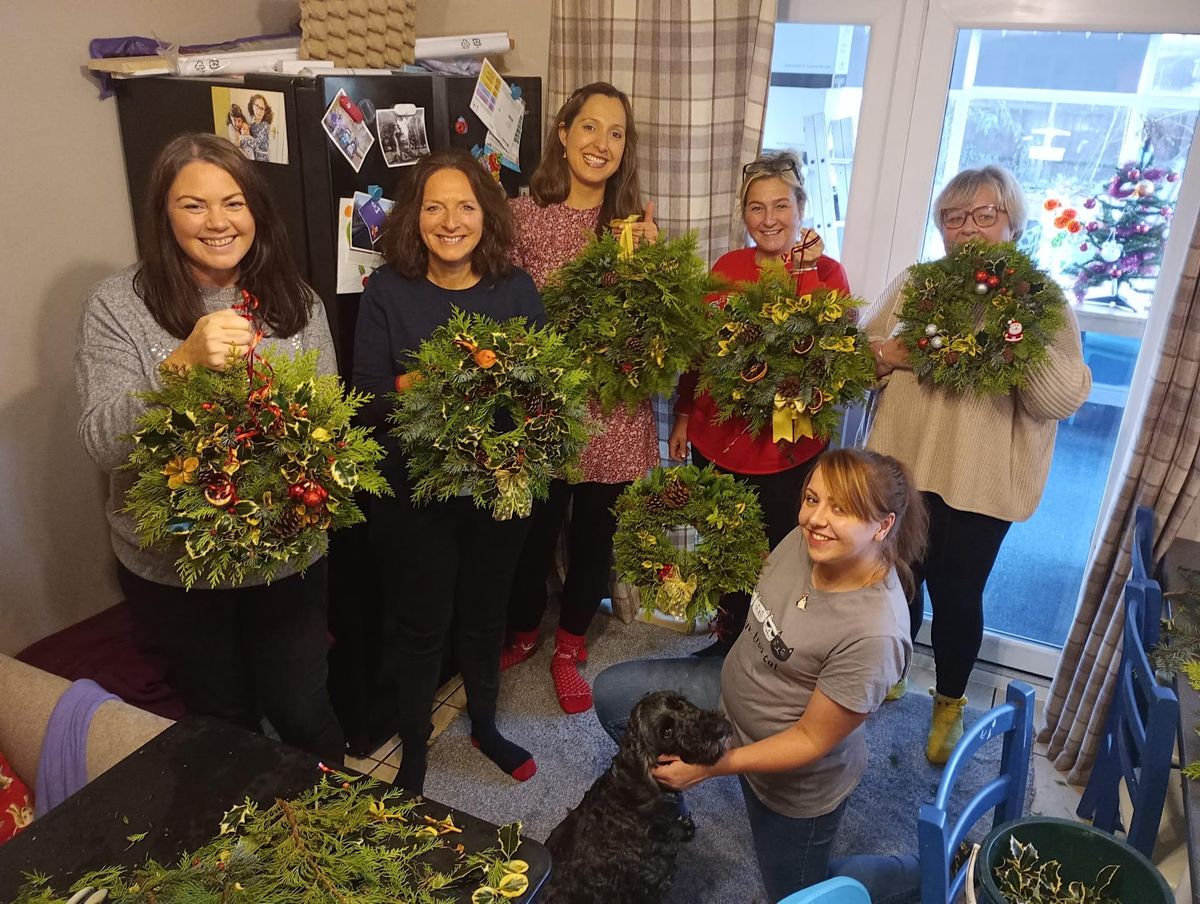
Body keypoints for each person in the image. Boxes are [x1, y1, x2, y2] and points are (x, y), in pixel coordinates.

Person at [74, 133, 343, 761]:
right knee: (223, 722)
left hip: (285, 559)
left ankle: (342, 841)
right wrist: (181, 367)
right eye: (193, 205)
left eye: (234, 202)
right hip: (176, 567)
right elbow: (101, 442)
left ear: (257, 211)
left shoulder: (295, 302)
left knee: (304, 711)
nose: (218, 222)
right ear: (164, 216)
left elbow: (330, 425)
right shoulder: (120, 305)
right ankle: (247, 847)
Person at [592, 448, 927, 901]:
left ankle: (917, 872)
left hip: (791, 780)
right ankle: (668, 802)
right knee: (615, 695)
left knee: (801, 894)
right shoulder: (806, 540)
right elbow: (756, 570)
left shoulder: (874, 635)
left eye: (840, 508)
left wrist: (712, 767)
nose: (815, 519)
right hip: (726, 700)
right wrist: (677, 548)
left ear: (883, 526)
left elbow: (810, 741)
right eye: (813, 499)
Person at [863, 165, 1091, 763]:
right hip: (905, 471)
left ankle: (949, 706)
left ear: (1012, 223)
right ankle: (892, 672)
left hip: (981, 482)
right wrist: (895, 353)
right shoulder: (917, 285)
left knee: (958, 598)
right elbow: (859, 360)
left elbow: (1058, 399)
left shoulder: (1040, 302)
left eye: (984, 215)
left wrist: (1017, 339)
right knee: (898, 585)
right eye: (953, 218)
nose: (967, 230)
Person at [352, 149, 544, 794]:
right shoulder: (387, 291)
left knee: (486, 618)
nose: (450, 220)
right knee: (419, 626)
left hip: (496, 491)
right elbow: (370, 396)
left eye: (466, 206)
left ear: (486, 216)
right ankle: (412, 751)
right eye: (434, 206)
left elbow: (538, 394)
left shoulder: (515, 289)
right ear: (415, 217)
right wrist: (447, 375)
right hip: (413, 497)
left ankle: (485, 726)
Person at [500, 82, 659, 714]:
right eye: (589, 128)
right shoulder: (520, 215)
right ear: (563, 134)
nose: (601, 144)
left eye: (615, 133)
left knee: (596, 537)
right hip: (543, 408)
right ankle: (520, 631)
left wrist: (649, 271)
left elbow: (653, 331)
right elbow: (501, 309)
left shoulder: (631, 226)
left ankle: (570, 647)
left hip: (615, 412)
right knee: (531, 535)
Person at [668, 150, 851, 657]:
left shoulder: (828, 274)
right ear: (743, 214)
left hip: (786, 454)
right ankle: (726, 642)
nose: (768, 219)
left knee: (781, 557)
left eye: (780, 206)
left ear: (800, 209)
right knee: (726, 546)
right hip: (718, 441)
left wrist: (807, 272)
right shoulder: (727, 267)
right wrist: (684, 412)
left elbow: (828, 351)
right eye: (756, 208)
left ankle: (771, 649)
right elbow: (699, 351)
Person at [246, 93, 273, 163]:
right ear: (252, 106)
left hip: (262, 161)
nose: (259, 111)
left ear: (265, 111)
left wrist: (241, 140)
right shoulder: (251, 121)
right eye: (257, 106)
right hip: (252, 158)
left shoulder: (265, 125)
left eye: (262, 108)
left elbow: (256, 143)